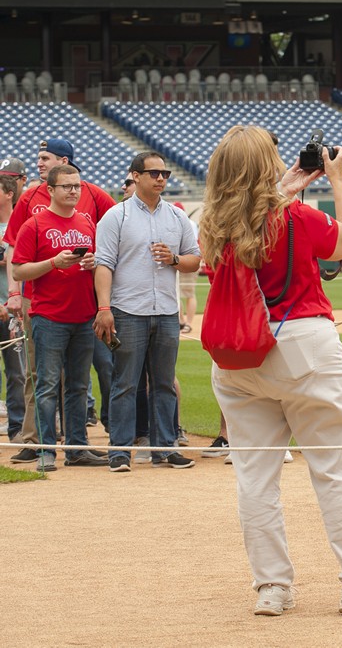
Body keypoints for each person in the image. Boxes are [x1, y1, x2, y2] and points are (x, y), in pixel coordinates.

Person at [200, 125, 342, 616]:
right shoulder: (294, 216)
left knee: (255, 479)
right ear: (264, 167)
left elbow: (247, 224)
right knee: (337, 471)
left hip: (236, 359)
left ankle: (271, 588)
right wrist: (336, 180)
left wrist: (286, 189)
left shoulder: (211, 224)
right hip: (302, 346)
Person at [5, 139, 115, 465]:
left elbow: (98, 263)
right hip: (48, 315)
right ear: (50, 190)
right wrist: (54, 263)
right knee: (47, 385)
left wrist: (92, 263)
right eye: (66, 186)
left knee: (79, 386)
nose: (73, 192)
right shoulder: (34, 224)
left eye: (77, 186)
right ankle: (45, 450)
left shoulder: (86, 223)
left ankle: (77, 448)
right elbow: (21, 269)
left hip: (83, 314)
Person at [94, 151, 200, 472]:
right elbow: (103, 265)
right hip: (127, 309)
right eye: (153, 173)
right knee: (125, 383)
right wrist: (104, 308)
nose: (160, 178)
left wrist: (174, 260)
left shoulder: (178, 217)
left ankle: (164, 449)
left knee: (164, 383)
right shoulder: (116, 216)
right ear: (135, 176)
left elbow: (195, 259)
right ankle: (119, 452)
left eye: (164, 173)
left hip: (167, 311)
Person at [0, 173, 26, 443]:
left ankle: (17, 427)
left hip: (15, 309)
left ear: (9, 193)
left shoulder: (21, 225)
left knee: (18, 371)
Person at [173, 202, 199, 333]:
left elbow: (191, 245)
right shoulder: (174, 222)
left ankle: (188, 322)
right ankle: (181, 321)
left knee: (189, 293)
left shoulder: (190, 224)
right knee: (176, 293)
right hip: (176, 260)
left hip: (188, 259)